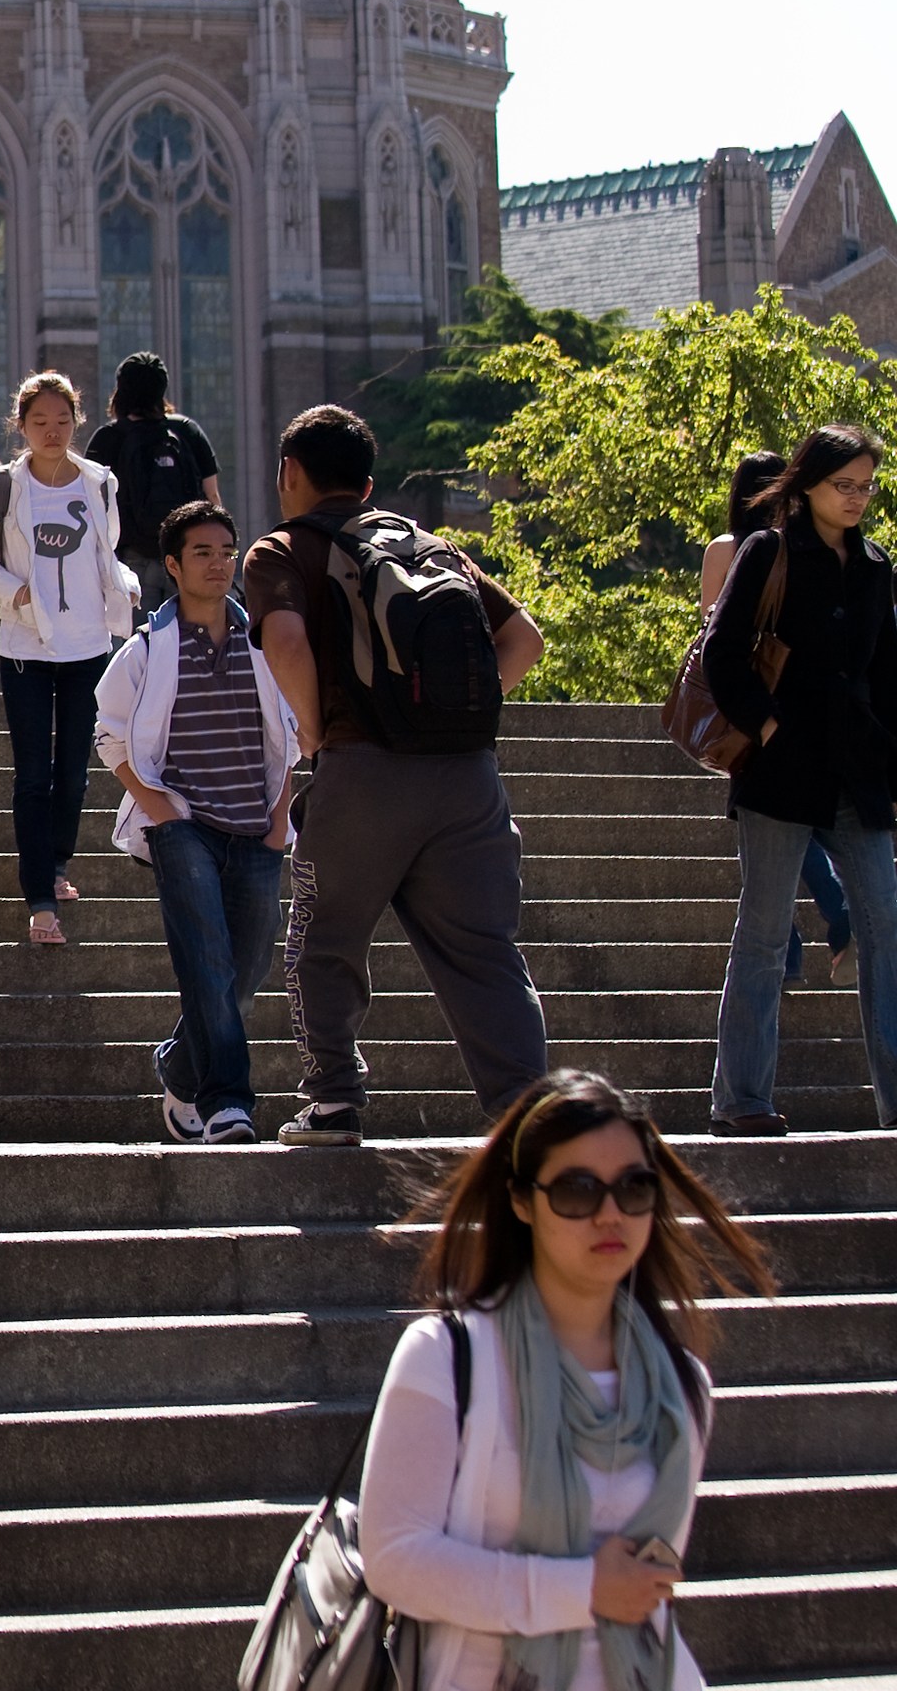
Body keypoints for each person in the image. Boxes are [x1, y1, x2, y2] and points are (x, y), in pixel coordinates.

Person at [362, 1069, 774, 1691]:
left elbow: (650, 1589)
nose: (611, 1214)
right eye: (578, 1191)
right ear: (522, 1201)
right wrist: (584, 1589)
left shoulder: (680, 1385)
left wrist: (608, 1593)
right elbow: (394, 1561)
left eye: (635, 1188)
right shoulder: (445, 1356)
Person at [244, 403, 549, 1145]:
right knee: (483, 951)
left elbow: (284, 642)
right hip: (468, 777)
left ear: (289, 474)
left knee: (322, 939)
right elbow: (525, 640)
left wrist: (321, 734)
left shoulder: (282, 549)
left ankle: (335, 1102)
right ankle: (530, 1116)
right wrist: (445, 716)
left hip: (364, 772)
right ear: (369, 483)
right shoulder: (430, 546)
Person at [701, 423, 897, 1136]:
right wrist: (769, 727)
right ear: (808, 483)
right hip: (782, 774)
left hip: (859, 777)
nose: (857, 498)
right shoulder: (769, 551)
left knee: (887, 925)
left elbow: (887, 674)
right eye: (845, 484)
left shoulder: (876, 563)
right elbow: (722, 654)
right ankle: (741, 1101)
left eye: (867, 485)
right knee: (762, 932)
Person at [95, 501, 296, 1144]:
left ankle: (181, 1069)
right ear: (175, 566)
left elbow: (297, 736)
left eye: (226, 551)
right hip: (184, 827)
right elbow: (109, 738)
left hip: (257, 828)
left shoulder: (268, 643)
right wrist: (161, 811)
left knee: (247, 972)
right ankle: (227, 1104)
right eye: (202, 553)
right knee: (207, 963)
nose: (218, 563)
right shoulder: (148, 648)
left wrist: (278, 818)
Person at [0, 372, 136, 944]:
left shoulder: (99, 483)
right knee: (33, 775)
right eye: (39, 422)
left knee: (73, 774)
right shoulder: (2, 486)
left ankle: (58, 863)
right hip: (25, 646)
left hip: (89, 644)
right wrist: (13, 591)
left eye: (62, 420)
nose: (52, 431)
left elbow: (107, 553)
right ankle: (40, 899)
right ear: (21, 425)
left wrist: (127, 586)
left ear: (76, 420)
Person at [701, 450, 853, 990]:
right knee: (779, 825)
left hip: (746, 700)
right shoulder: (795, 550)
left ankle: (813, 935)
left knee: (767, 821)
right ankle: (805, 940)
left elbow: (711, 628)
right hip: (787, 701)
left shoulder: (730, 548)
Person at [81, 352, 220, 613]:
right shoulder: (187, 432)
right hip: (186, 560)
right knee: (186, 646)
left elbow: (89, 507)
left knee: (139, 647)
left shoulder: (108, 439)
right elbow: (212, 499)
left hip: (131, 563)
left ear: (120, 391)